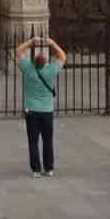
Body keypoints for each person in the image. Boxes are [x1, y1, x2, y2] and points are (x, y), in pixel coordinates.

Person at [19, 39, 66, 181]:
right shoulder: (51, 70)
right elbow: (63, 56)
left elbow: (19, 51)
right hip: (47, 110)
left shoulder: (28, 68)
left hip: (31, 110)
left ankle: (36, 169)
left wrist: (31, 41)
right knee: (47, 140)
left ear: (33, 61)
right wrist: (52, 44)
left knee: (33, 141)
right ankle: (49, 167)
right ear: (46, 62)